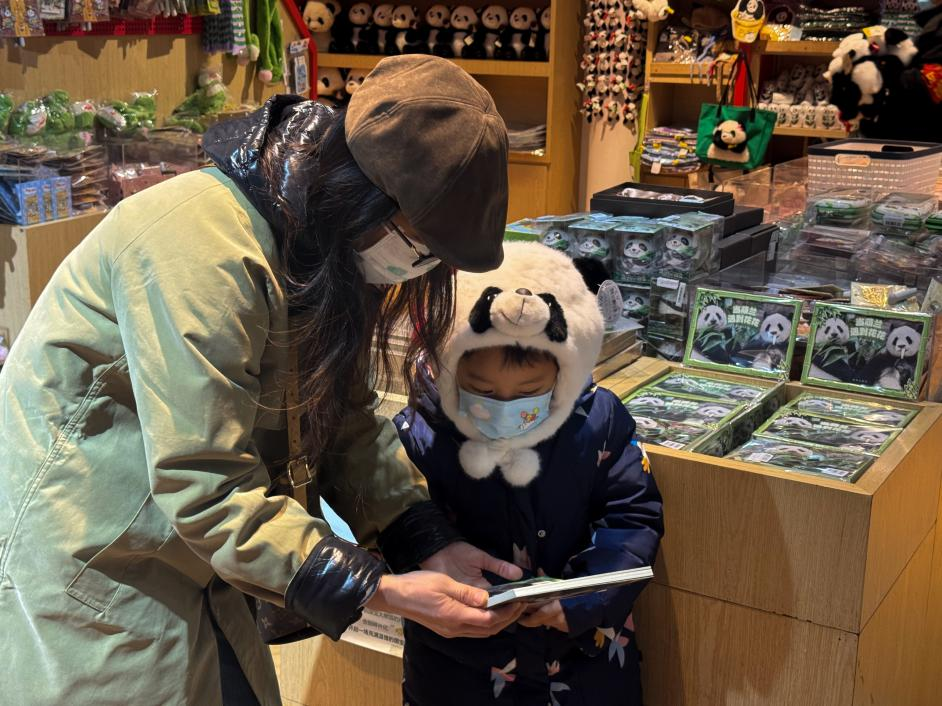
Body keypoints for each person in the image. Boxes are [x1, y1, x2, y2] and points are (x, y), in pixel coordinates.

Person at [0, 56, 526, 706]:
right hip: (94, 556)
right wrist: (383, 591)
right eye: (418, 247)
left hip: (192, 550)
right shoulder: (203, 247)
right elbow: (205, 482)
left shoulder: (316, 239)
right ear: (367, 195)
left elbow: (345, 415)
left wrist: (424, 540)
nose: (415, 269)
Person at [394, 242, 665, 705]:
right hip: (456, 667)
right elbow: (394, 530)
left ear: (564, 373)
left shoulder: (596, 422)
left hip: (584, 661)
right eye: (482, 390)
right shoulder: (421, 433)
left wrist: (582, 600)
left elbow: (632, 516)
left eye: (529, 392)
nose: (504, 406)